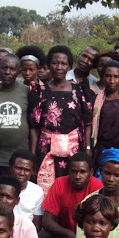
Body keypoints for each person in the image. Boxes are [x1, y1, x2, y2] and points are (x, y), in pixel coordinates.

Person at [29, 45, 93, 193]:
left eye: (63, 63)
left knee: (73, 188)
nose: (59, 67)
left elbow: (88, 121)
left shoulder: (79, 90)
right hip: (47, 149)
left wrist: (88, 148)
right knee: (48, 190)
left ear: (69, 66)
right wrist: (33, 154)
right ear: (49, 65)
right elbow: (34, 126)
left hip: (74, 149)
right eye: (54, 63)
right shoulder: (40, 91)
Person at [40, 152, 103, 238]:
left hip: (90, 235)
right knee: (43, 236)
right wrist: (67, 233)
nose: (78, 176)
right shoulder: (59, 184)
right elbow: (47, 221)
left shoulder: (98, 187)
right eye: (74, 172)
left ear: (91, 172)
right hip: (64, 235)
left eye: (82, 172)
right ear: (69, 172)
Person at [90, 60, 119, 167]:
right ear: (103, 78)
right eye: (108, 76)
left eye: (116, 77)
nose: (112, 81)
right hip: (103, 152)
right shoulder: (96, 101)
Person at [0, 150, 43, 230]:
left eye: (26, 170)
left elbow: (36, 225)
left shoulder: (37, 192)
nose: (22, 173)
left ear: (32, 172)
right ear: (10, 168)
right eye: (18, 168)